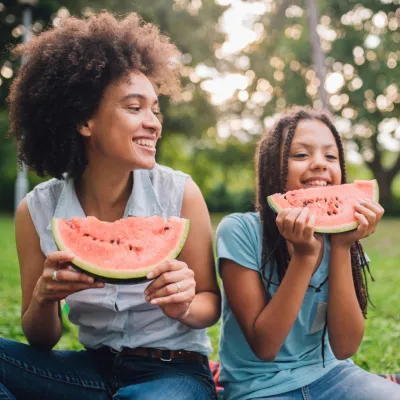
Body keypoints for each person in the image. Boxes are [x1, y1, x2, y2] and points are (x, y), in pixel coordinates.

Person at [0, 11, 220, 400]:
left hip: (173, 372)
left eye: (155, 108)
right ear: (85, 120)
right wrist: (43, 297)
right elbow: (41, 339)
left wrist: (185, 304)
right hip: (89, 371)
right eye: (134, 108)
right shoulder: (36, 211)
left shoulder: (180, 193)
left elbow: (209, 304)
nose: (153, 122)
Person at [216, 107, 400, 400]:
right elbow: (265, 346)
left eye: (331, 156)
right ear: (272, 169)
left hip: (333, 375)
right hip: (259, 389)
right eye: (301, 155)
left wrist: (341, 247)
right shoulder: (239, 230)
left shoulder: (341, 237)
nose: (319, 164)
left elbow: (345, 347)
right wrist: (304, 258)